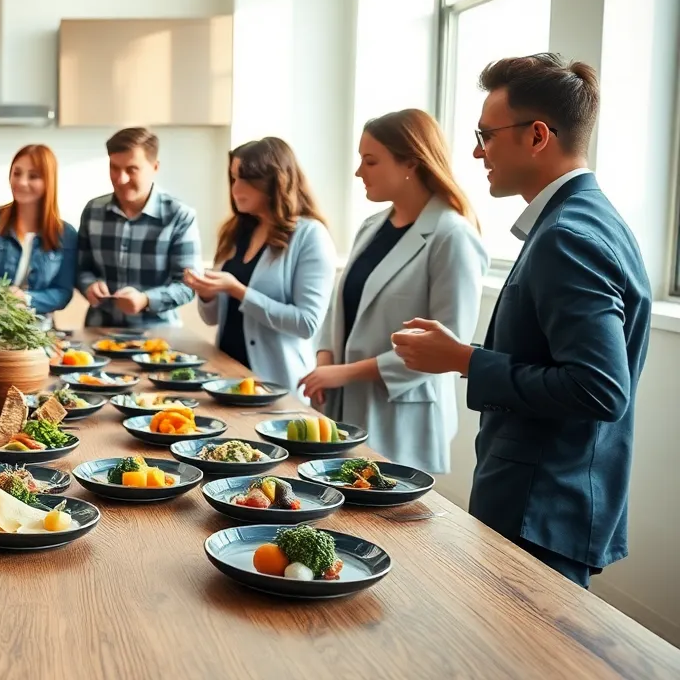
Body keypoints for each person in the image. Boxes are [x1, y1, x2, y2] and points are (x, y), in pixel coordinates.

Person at [392, 54, 650, 588]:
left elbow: (600, 390)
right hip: (550, 498)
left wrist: (464, 360)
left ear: (537, 136)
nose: (475, 150)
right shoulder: (584, 219)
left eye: (486, 134)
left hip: (542, 505)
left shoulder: (568, 235)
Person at [301, 109, 487, 475]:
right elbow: (340, 307)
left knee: (386, 523)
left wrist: (345, 373)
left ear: (411, 164)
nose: (358, 172)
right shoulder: (371, 226)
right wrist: (326, 363)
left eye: (370, 161)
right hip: (342, 405)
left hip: (402, 417)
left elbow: (446, 347)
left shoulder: (452, 236)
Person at [185, 138, 334, 398]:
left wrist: (239, 291)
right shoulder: (234, 232)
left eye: (245, 180)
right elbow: (213, 319)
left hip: (277, 385)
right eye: (233, 179)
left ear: (274, 182)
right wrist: (207, 293)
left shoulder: (310, 235)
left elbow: (307, 323)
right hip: (227, 378)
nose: (235, 189)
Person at [76, 127, 201, 327]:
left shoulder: (179, 215)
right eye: (114, 168)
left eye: (131, 169)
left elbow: (189, 286)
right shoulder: (93, 211)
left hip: (159, 340)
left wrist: (146, 300)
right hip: (100, 332)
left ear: (155, 167)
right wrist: (88, 285)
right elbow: (80, 268)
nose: (120, 179)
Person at [0, 144, 78, 317]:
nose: (22, 182)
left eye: (33, 176)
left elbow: (63, 293)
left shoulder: (65, 234)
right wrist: (4, 293)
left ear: (49, 181)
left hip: (40, 331)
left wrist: (25, 298)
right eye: (17, 173)